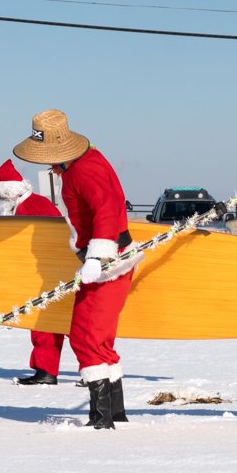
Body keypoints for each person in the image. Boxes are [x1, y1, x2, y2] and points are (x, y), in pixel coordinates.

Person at [13, 109, 141, 430]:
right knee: (98, 340)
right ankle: (116, 414)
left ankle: (101, 422)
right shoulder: (81, 164)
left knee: (85, 338)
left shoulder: (85, 170)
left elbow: (108, 210)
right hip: (107, 260)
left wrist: (97, 258)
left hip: (108, 263)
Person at [0, 158, 72, 386]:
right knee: (56, 324)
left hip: (49, 274)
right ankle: (61, 369)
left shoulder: (33, 207)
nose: (0, 201)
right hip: (48, 273)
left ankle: (51, 371)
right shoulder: (27, 206)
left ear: (10, 193)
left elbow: (49, 241)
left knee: (47, 324)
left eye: (0, 196)